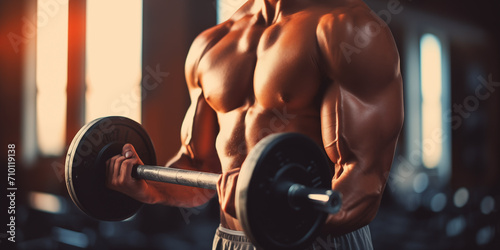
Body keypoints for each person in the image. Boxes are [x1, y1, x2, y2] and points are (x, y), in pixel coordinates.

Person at [106, 0, 404, 249]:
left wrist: (275, 215)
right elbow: (201, 167)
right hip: (231, 240)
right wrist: (151, 186)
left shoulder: (348, 29)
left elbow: (364, 185)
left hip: (316, 241)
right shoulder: (211, 43)